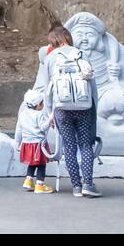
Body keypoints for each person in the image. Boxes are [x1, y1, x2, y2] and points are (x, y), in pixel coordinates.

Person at [44, 23, 100, 198]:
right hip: (84, 108)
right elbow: (93, 86)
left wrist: (49, 114)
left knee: (69, 146)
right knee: (85, 144)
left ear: (54, 40)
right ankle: (88, 184)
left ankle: (76, 186)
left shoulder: (51, 58)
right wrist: (94, 108)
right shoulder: (82, 54)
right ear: (68, 37)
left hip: (62, 109)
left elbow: (48, 90)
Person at [14, 89, 54, 194]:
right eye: (42, 103)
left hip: (27, 144)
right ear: (37, 105)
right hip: (38, 145)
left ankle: (28, 180)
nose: (43, 105)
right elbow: (43, 128)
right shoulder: (38, 115)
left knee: (31, 163)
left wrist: (17, 142)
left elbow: (19, 129)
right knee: (41, 164)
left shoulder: (22, 114)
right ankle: (40, 185)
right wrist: (50, 120)